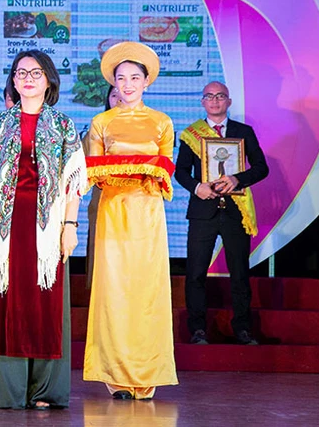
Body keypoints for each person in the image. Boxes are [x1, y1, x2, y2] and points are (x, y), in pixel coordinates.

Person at [0, 50, 87, 410]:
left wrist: (70, 226)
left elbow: (73, 182)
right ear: (13, 81)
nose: (28, 79)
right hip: (5, 225)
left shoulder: (63, 125)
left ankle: (46, 391)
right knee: (6, 300)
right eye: (21, 73)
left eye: (36, 73)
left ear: (49, 79)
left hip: (48, 228)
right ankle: (10, 391)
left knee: (45, 302)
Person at [83, 42, 178, 400]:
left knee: (147, 291)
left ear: (146, 82)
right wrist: (125, 171)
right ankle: (116, 375)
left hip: (148, 213)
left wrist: (148, 173)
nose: (127, 85)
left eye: (134, 78)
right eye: (121, 78)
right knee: (115, 291)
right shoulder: (101, 122)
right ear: (113, 83)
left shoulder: (162, 122)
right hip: (113, 211)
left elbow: (165, 170)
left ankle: (147, 373)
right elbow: (93, 172)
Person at [175, 81, 269, 346]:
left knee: (239, 273)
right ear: (202, 102)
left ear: (229, 101)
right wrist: (198, 187)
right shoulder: (191, 134)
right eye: (209, 96)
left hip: (236, 211)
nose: (214, 100)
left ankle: (243, 329)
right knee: (196, 273)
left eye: (220, 96)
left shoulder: (243, 132)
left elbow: (261, 168)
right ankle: (198, 330)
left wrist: (238, 179)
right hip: (202, 212)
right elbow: (180, 171)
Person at [85, 85, 121, 290]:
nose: (119, 98)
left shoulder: (149, 125)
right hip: (102, 200)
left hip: (137, 201)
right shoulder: (97, 127)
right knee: (101, 256)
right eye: (114, 94)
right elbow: (82, 165)